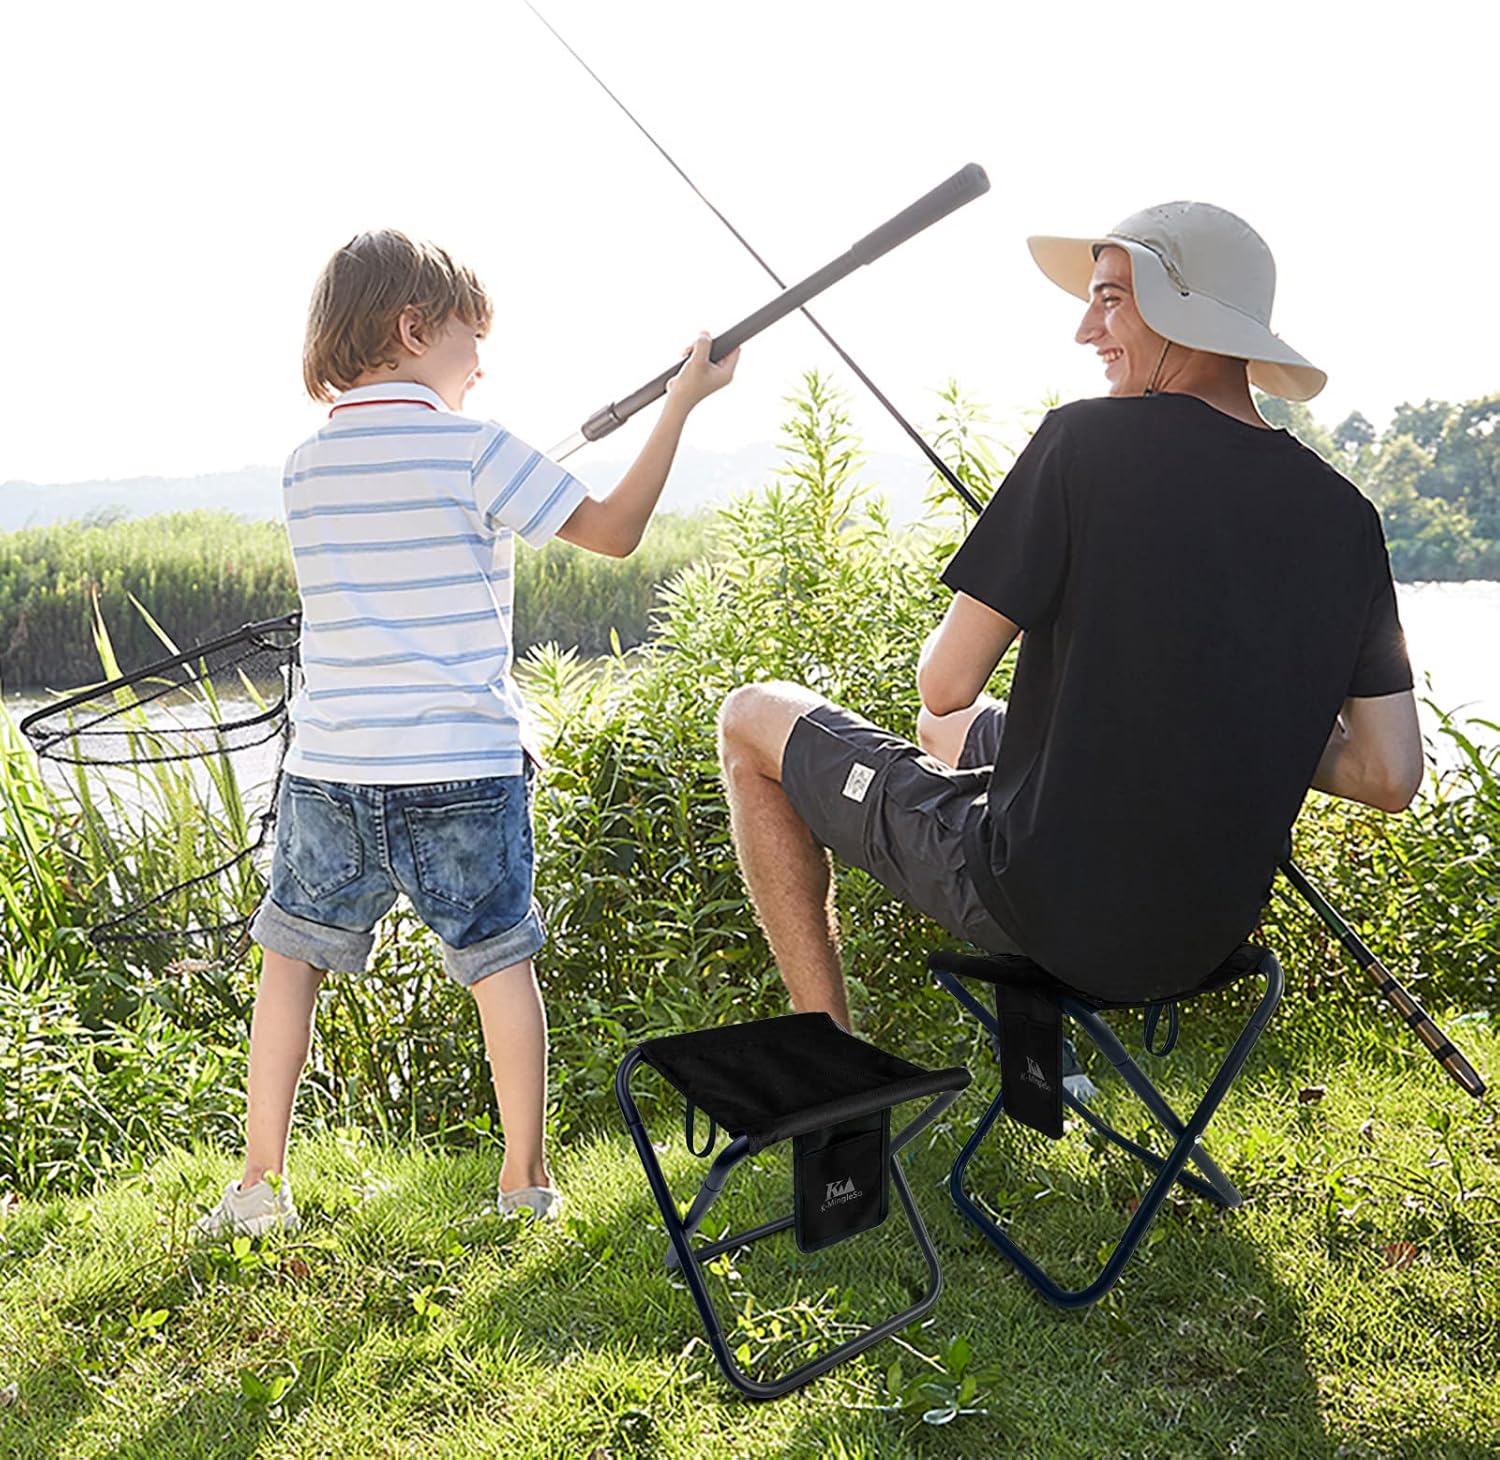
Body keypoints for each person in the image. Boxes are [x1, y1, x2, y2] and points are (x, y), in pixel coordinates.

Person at [717, 201, 1421, 1031]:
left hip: (1042, 905)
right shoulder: (1346, 517)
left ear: (1185, 312)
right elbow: (1388, 774)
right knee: (950, 734)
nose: (1087, 330)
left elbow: (943, 681)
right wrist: (1246, 719)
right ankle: (1051, 1069)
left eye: (1111, 299)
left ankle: (826, 1043)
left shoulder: (1082, 442)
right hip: (1204, 934)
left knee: (750, 718)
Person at [197, 229, 737, 1237]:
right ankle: (524, 1184)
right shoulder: (476, 446)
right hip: (461, 767)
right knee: (498, 962)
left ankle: (260, 1183)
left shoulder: (303, 465)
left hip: (331, 770)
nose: (480, 363)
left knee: (289, 962)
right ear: (414, 328)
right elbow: (615, 530)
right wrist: (681, 403)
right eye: (468, 337)